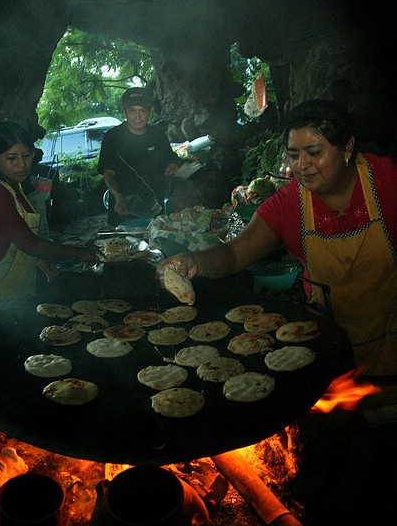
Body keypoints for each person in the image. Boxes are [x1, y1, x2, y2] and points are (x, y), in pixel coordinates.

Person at [161, 99, 397, 377]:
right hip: (331, 355)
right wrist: (193, 260)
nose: (303, 166)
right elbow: (234, 254)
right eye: (294, 155)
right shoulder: (290, 204)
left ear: (346, 147)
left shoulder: (387, 181)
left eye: (314, 152)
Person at [0, 119, 100, 317]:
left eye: (26, 155)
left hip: (14, 292)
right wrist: (78, 252)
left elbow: (16, 235)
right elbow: (29, 243)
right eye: (11, 158)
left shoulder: (13, 185)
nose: (21, 164)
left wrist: (40, 259)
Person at [97, 86, 181, 226]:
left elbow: (172, 159)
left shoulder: (158, 136)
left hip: (156, 211)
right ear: (124, 112)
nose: (138, 117)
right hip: (123, 211)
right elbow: (109, 175)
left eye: (142, 111)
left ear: (150, 111)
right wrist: (119, 197)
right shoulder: (112, 137)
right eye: (132, 111)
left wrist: (174, 163)